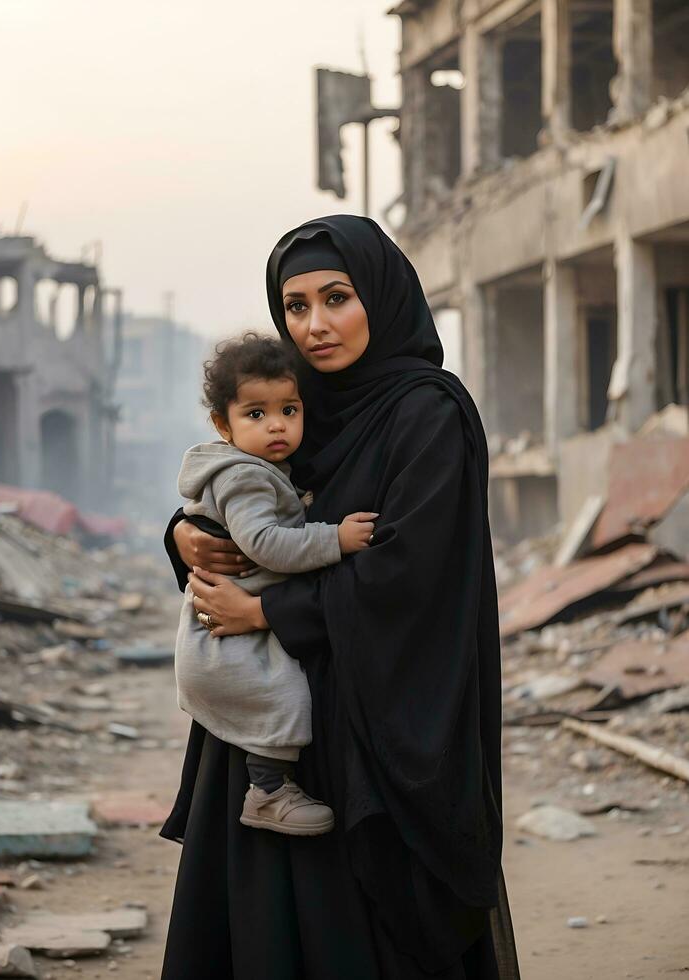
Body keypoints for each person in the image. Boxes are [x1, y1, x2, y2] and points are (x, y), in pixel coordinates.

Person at [160, 215, 520, 980]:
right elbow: (240, 491)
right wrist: (183, 539)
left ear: (379, 297)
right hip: (271, 728)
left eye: (336, 298)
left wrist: (266, 612)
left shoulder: (427, 413)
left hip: (366, 729)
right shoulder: (296, 405)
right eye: (295, 307)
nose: (315, 325)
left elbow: (415, 574)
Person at [173, 330, 377, 835]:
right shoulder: (245, 476)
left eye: (289, 410)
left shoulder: (264, 469)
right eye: (256, 415)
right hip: (226, 636)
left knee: (281, 694)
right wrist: (336, 538)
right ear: (224, 425)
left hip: (238, 626)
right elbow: (265, 543)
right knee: (284, 697)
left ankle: (268, 788)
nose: (277, 426)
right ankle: (267, 792)